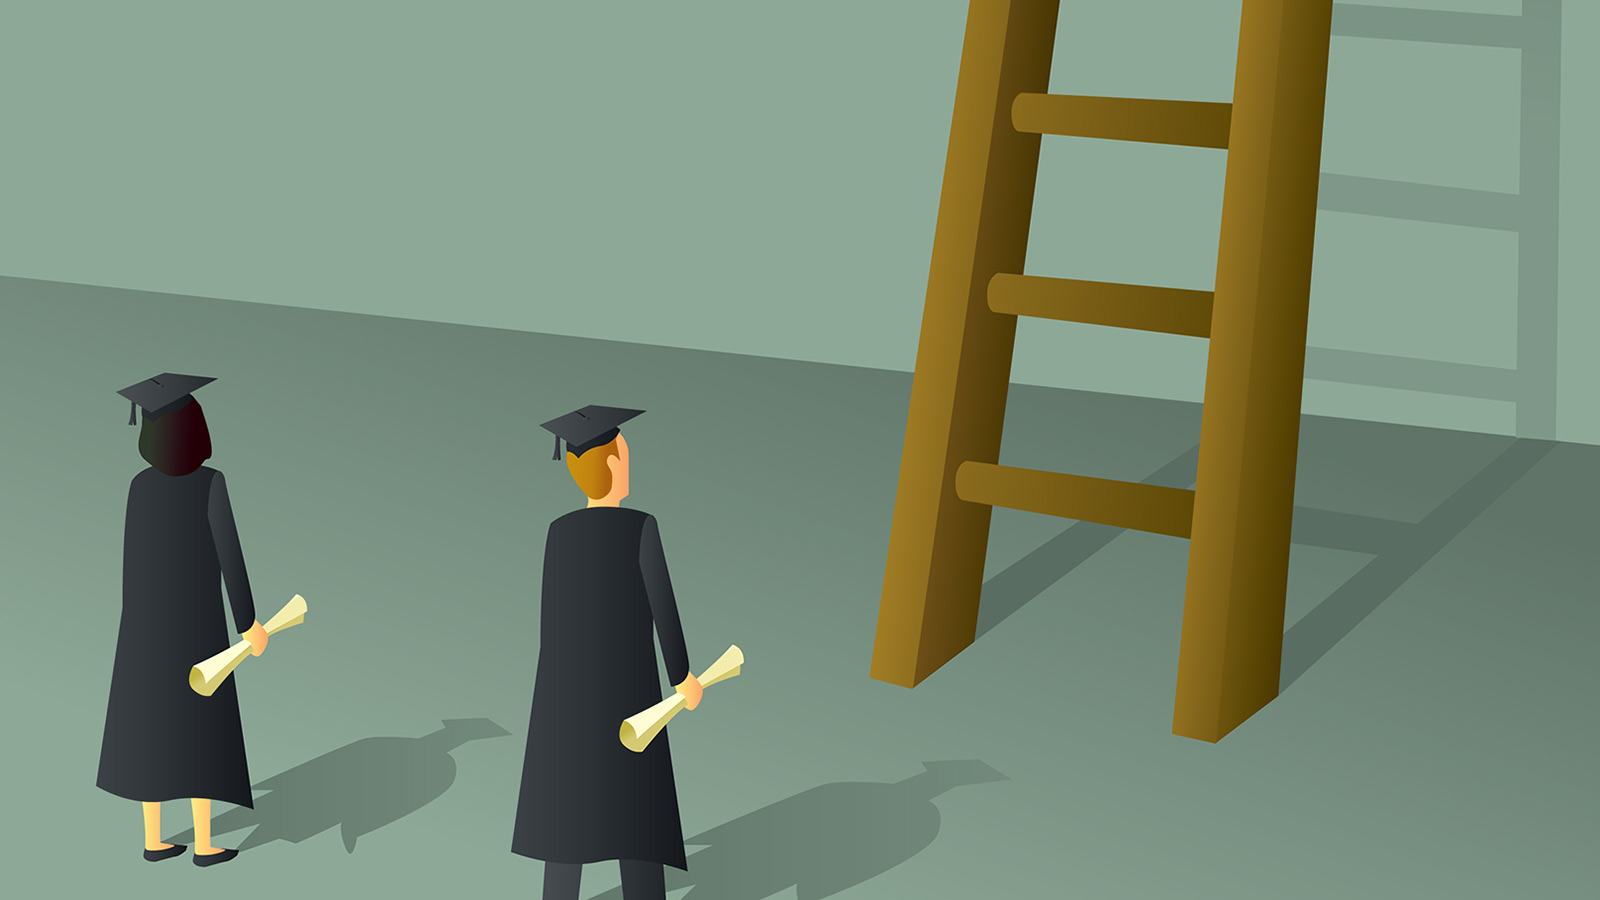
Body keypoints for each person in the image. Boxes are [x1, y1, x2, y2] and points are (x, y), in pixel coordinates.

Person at [513, 405, 704, 900]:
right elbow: (663, 606)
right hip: (630, 701)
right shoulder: (641, 527)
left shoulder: (559, 533)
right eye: (625, 454)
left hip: (567, 708)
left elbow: (549, 623)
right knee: (636, 829)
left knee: (566, 835)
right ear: (617, 463)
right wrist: (683, 678)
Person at [98, 373, 268, 868]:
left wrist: (137, 629)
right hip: (197, 627)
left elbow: (132, 563)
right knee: (200, 734)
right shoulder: (211, 483)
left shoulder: (138, 486)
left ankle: (154, 840)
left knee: (154, 729)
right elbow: (229, 557)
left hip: (146, 629)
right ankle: (206, 844)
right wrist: (250, 623)